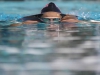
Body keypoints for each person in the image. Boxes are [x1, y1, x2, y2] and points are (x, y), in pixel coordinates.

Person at [11, 2, 79, 29]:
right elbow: (14, 25)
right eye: (46, 19)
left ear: (61, 18)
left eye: (55, 19)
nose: (51, 24)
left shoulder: (67, 20)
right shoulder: (35, 20)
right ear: (40, 18)